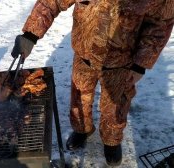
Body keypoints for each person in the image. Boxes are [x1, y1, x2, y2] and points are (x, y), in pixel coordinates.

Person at [11, 0, 174, 166]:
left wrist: (141, 64)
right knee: (80, 98)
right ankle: (82, 130)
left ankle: (112, 141)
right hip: (84, 55)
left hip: (122, 63)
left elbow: (161, 23)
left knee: (115, 107)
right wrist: (30, 35)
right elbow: (51, 2)